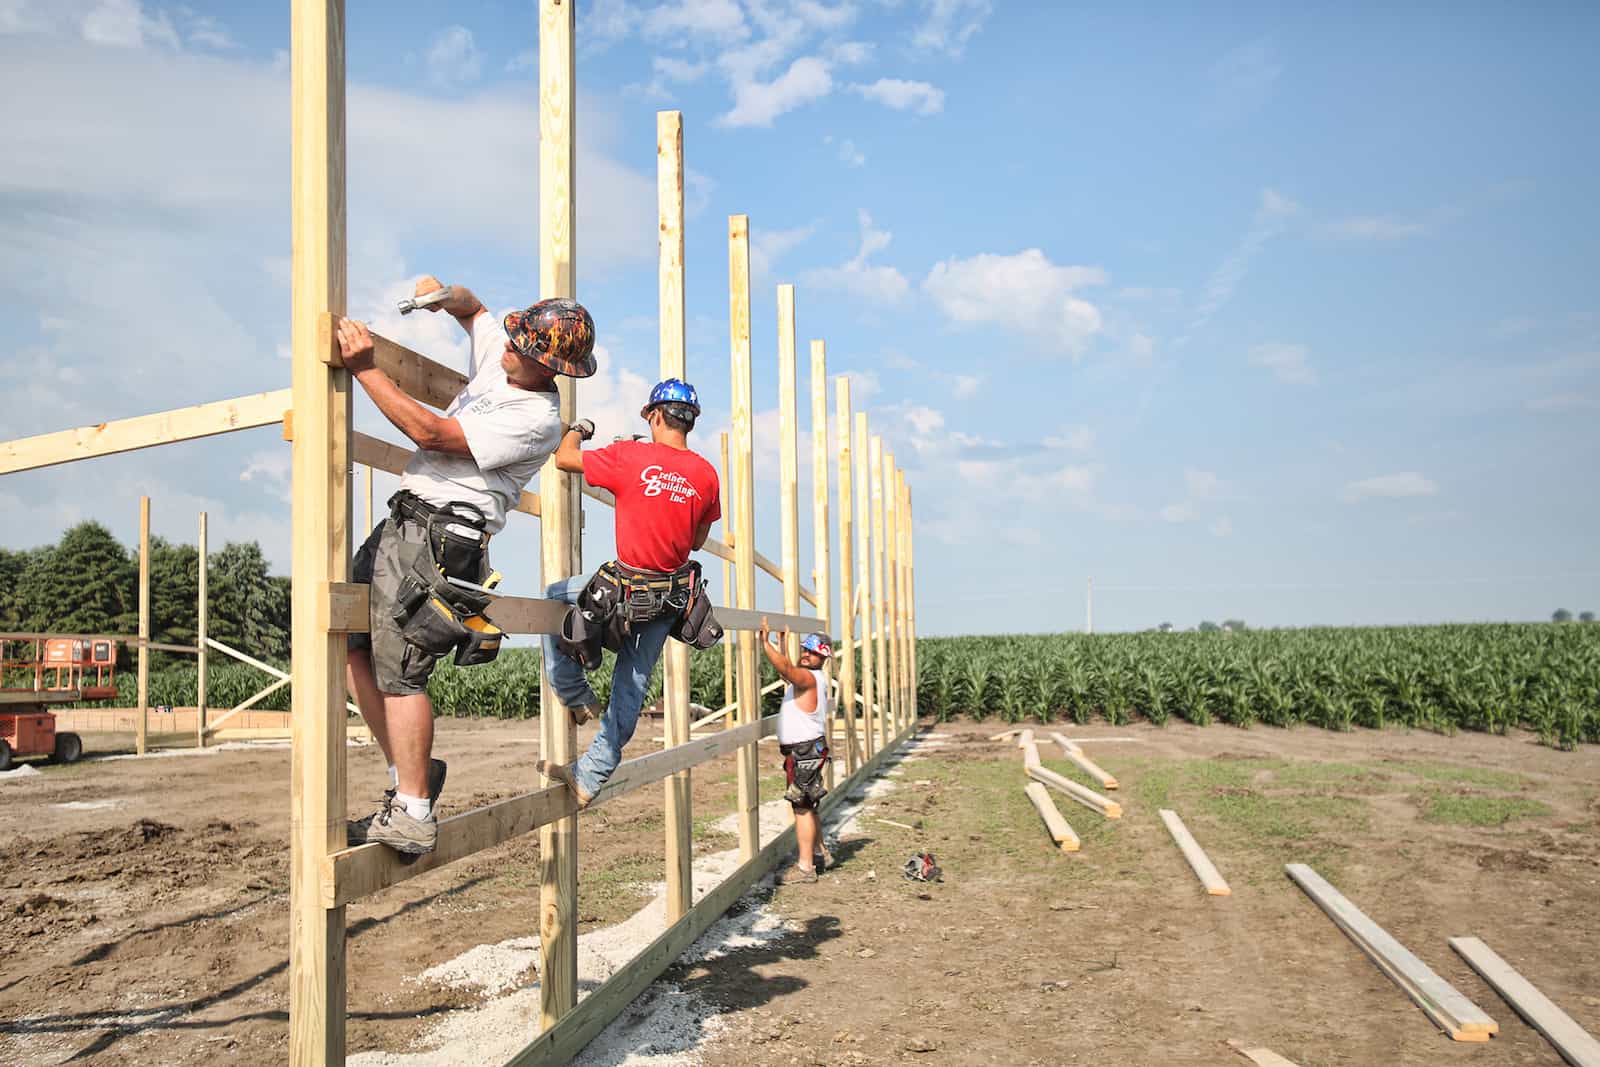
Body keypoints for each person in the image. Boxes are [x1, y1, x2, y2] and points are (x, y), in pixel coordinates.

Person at [336, 277, 596, 854]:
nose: (507, 344)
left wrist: (365, 369)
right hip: (406, 521)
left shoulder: (536, 419)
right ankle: (413, 776)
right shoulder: (503, 361)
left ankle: (412, 812)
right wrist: (443, 294)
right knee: (349, 647)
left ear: (548, 365)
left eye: (521, 345)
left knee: (401, 670)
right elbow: (475, 308)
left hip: (439, 537)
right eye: (512, 336)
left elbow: (431, 432)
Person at [536, 379, 720, 807]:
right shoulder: (706, 475)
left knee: (553, 597)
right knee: (631, 687)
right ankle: (590, 776)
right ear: (689, 422)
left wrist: (580, 428)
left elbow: (564, 458)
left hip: (622, 590)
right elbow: (695, 542)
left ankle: (575, 692)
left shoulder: (630, 456)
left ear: (655, 415)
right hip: (667, 600)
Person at [759, 620, 835, 885]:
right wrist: (782, 645)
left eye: (812, 652)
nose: (806, 654)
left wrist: (765, 643)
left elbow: (788, 670)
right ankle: (820, 852)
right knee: (809, 804)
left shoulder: (809, 678)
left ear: (823, 656)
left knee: (801, 808)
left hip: (804, 753)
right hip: (807, 751)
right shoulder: (810, 679)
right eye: (805, 649)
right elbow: (788, 674)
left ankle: (805, 868)